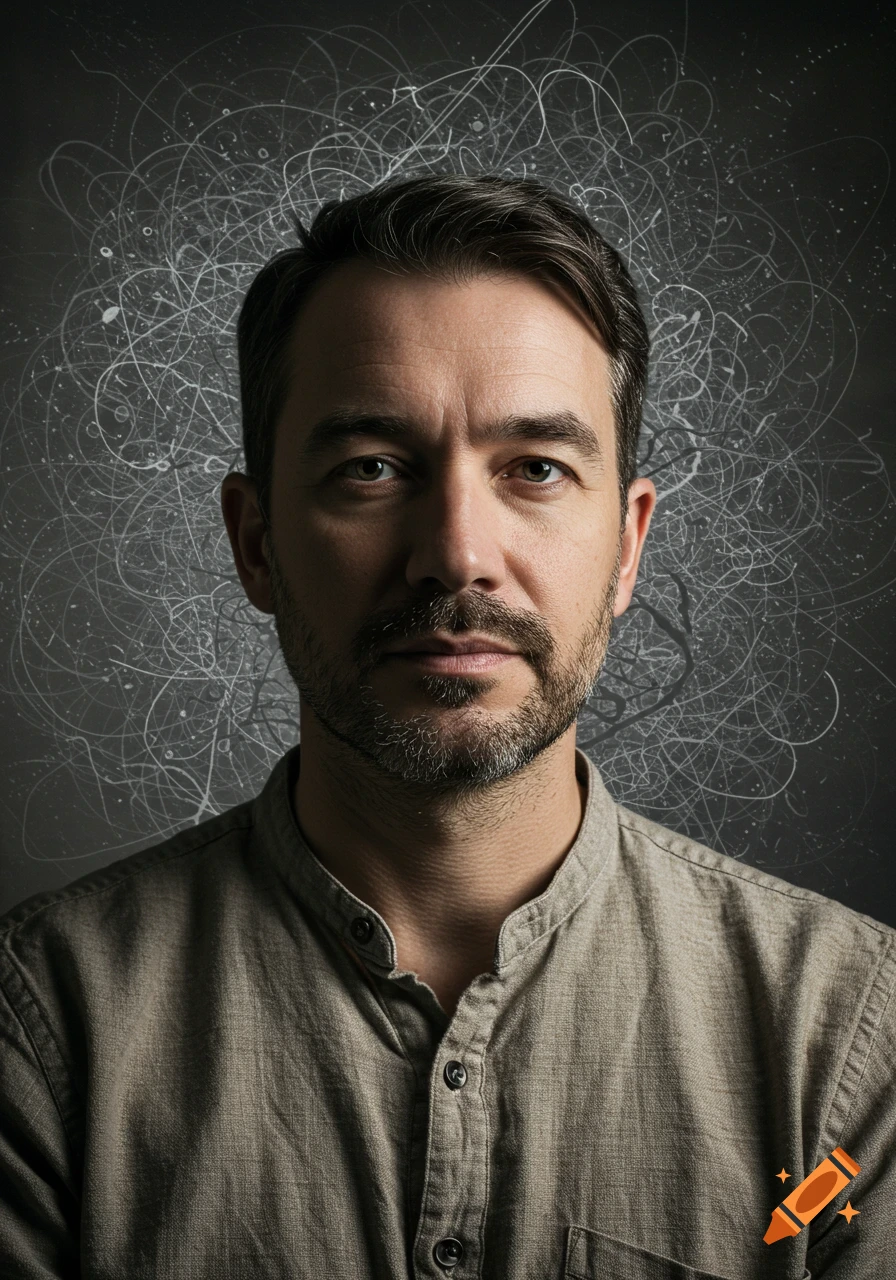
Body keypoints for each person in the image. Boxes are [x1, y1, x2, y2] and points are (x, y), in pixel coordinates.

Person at [0, 174, 892, 1279]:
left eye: (534, 468)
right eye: (371, 468)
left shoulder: (849, 1046)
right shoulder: (40, 1032)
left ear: (625, 545)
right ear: (257, 542)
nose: (454, 552)